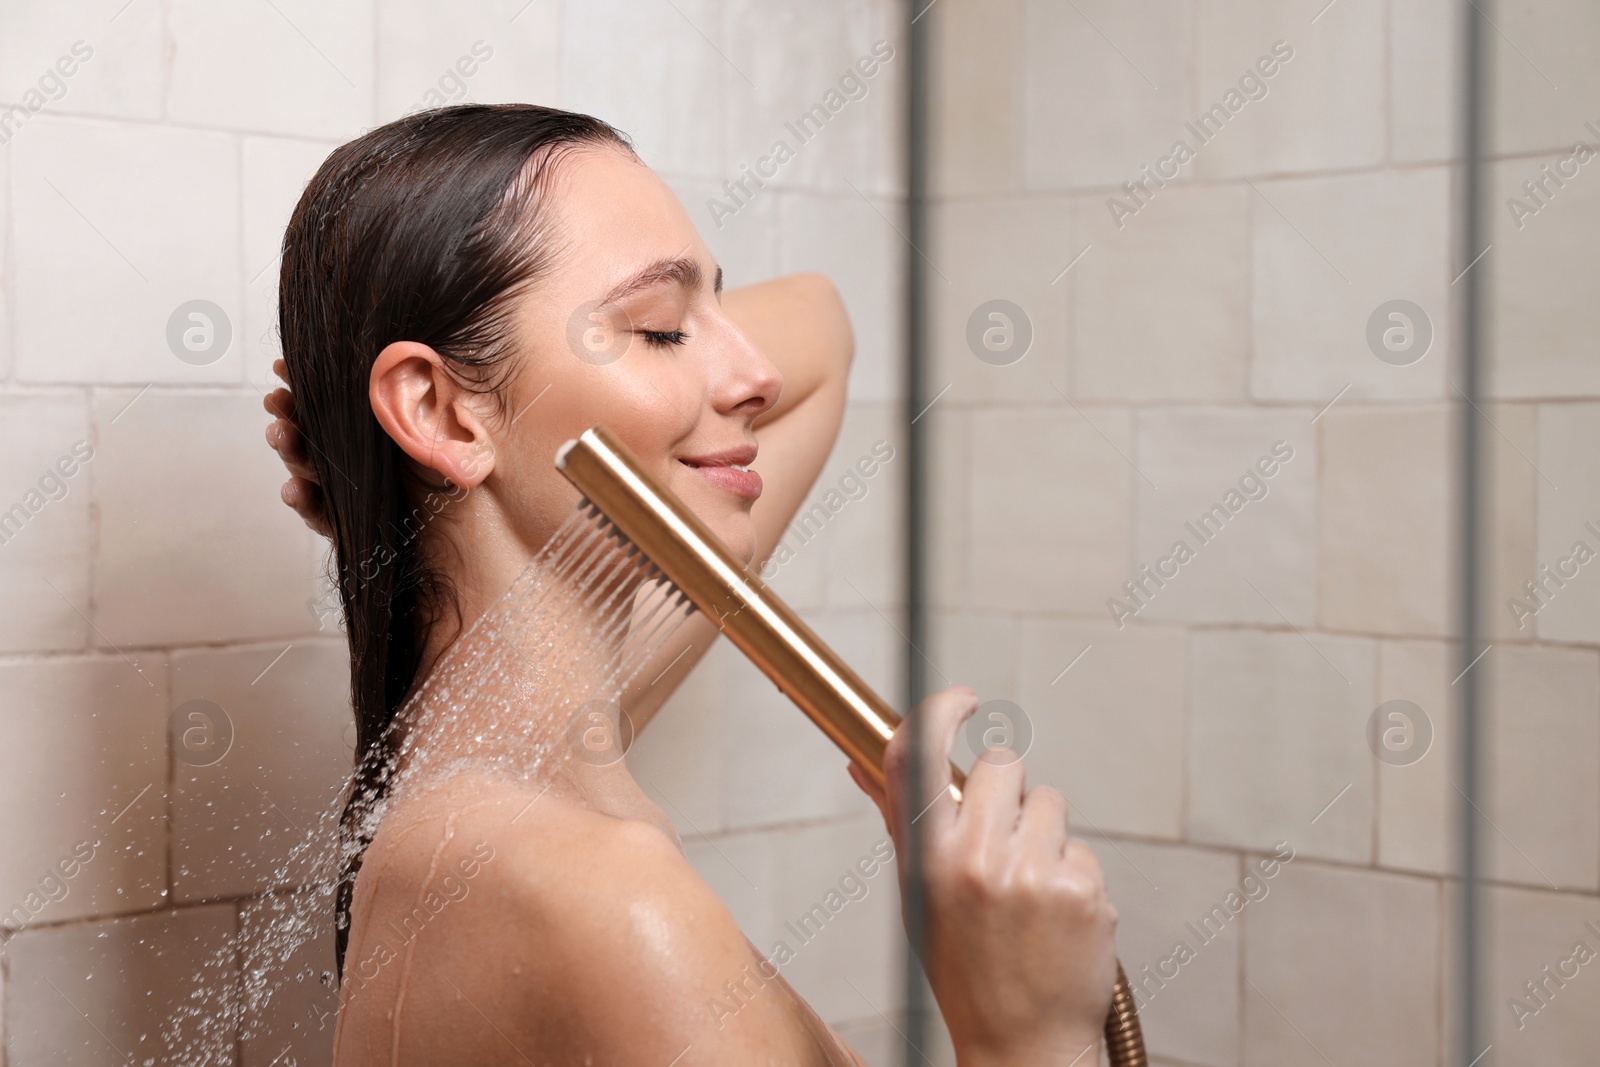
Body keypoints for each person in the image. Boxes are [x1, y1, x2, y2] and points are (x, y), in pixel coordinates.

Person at [266, 103, 1118, 1066]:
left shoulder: (485, 763)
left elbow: (823, 332)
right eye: (664, 329)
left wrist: (383, 461)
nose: (756, 373)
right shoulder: (620, 907)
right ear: (437, 406)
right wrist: (1025, 1034)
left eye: (717, 307)